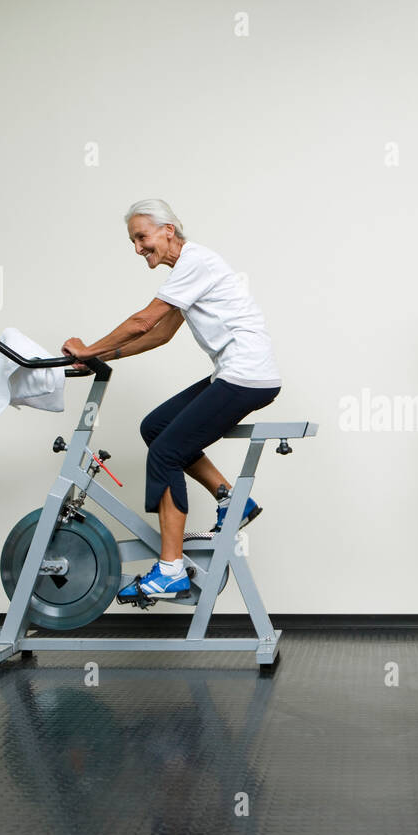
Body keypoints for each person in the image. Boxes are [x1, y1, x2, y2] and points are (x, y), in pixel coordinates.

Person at [61, 199, 281, 599]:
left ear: (169, 230)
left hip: (246, 376)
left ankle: (170, 570)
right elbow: (159, 335)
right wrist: (100, 358)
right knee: (156, 427)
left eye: (141, 237)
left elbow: (143, 321)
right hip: (240, 374)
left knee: (165, 453)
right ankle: (233, 501)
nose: (137, 248)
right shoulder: (189, 271)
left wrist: (89, 349)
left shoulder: (195, 261)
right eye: (132, 241)